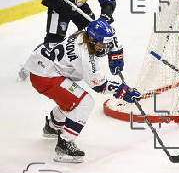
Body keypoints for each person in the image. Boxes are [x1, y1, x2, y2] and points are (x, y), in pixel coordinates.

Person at [23, 19, 141, 163]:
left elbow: (111, 36)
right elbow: (100, 86)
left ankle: (53, 126)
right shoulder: (85, 56)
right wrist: (123, 91)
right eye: (102, 44)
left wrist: (116, 53)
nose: (105, 47)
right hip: (45, 76)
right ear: (91, 40)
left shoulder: (84, 34)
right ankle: (64, 143)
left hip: (45, 65)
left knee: (71, 99)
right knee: (85, 102)